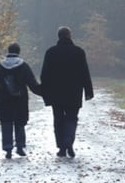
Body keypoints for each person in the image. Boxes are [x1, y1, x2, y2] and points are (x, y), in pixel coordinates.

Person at [40, 26, 94, 158]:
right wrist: (88, 91)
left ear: (58, 36)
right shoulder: (78, 52)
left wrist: (45, 89)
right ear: (70, 36)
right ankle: (68, 140)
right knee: (71, 118)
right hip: (74, 92)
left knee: (58, 119)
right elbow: (84, 72)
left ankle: (61, 148)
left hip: (56, 92)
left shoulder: (51, 52)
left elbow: (44, 74)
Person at [0, 42, 42, 158]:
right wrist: (44, 92)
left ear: (8, 51)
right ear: (19, 52)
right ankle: (19, 146)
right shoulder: (23, 66)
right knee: (20, 123)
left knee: (6, 123)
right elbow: (32, 83)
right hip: (20, 99)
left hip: (4, 100)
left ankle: (8, 149)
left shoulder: (1, 66)